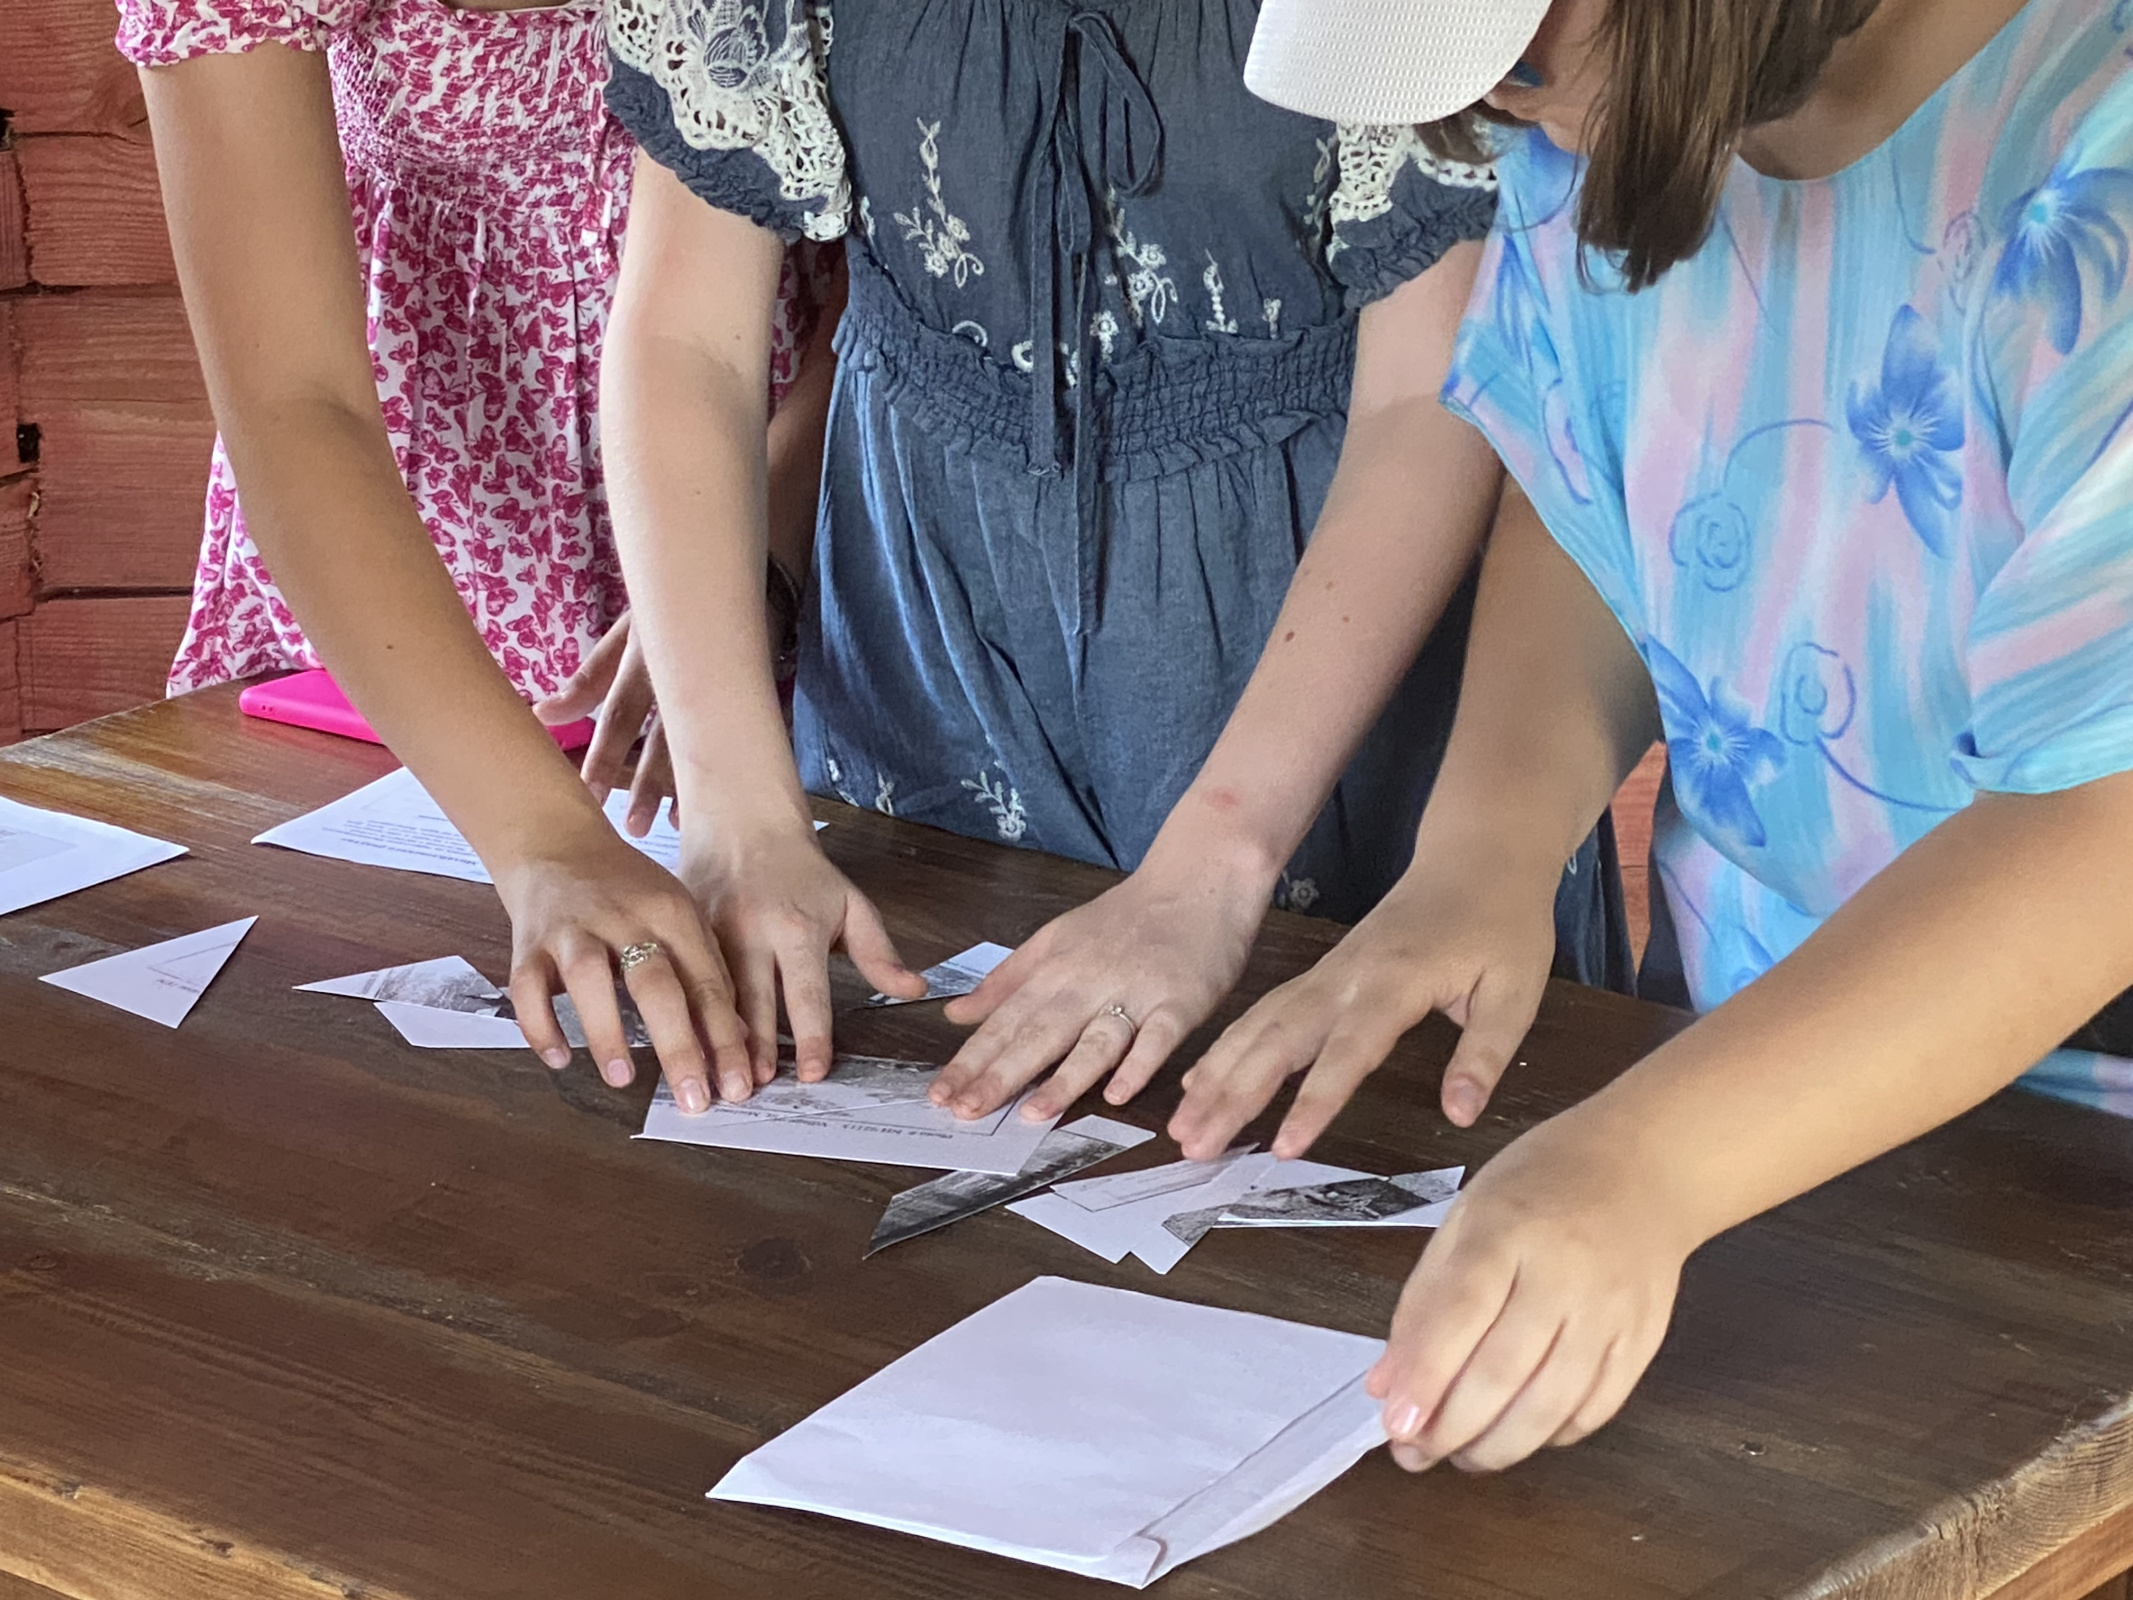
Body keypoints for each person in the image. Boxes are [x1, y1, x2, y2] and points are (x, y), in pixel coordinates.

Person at [1179, 0, 2133, 1476]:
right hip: (1741, 1079)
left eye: (1518, 59)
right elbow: (1593, 494)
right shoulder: (1607, 107)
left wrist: (1650, 1159)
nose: (1507, 111)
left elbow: (2100, 830)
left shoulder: (2090, 159)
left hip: (2075, 1164)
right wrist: (1484, 852)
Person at [595, 0, 1635, 1101]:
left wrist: (1218, 861)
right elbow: (687, 336)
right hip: (920, 638)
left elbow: (1427, 394)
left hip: (1324, 654)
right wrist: (736, 810)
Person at [119, 0, 835, 1108]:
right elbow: (295, 400)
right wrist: (543, 838)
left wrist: (741, 579)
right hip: (406, 531)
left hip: (770, 480)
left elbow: (891, 285)